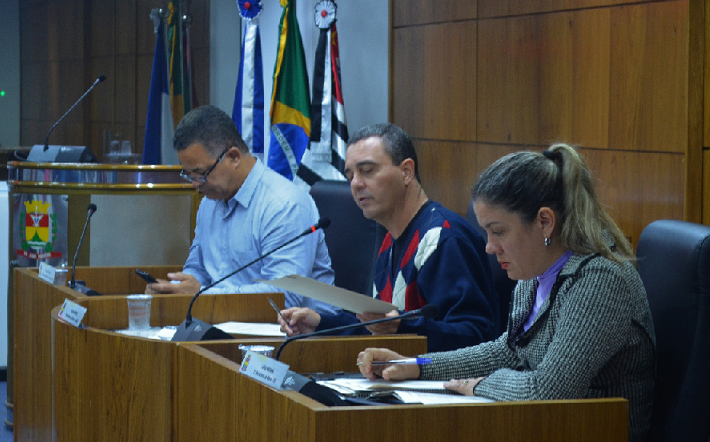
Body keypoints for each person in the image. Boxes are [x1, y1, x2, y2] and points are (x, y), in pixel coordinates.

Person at [356, 143, 656, 442]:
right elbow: (508, 350)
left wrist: (479, 385)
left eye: (498, 231)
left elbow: (548, 392)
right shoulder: (533, 269)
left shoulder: (601, 280)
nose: (489, 247)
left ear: (544, 222)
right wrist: (415, 365)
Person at [278, 123, 499, 352]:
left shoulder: (444, 238)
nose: (356, 184)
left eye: (367, 170)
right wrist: (322, 325)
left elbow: (476, 337)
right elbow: (380, 330)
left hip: (436, 374)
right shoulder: (389, 241)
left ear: (406, 171)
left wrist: (402, 326)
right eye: (350, 175)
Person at [146, 105, 338, 314]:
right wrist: (173, 289)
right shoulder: (209, 202)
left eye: (201, 173)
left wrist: (203, 295)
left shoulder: (284, 205)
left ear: (234, 157)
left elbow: (285, 297)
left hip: (294, 329)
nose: (195, 184)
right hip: (224, 319)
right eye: (188, 174)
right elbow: (198, 270)